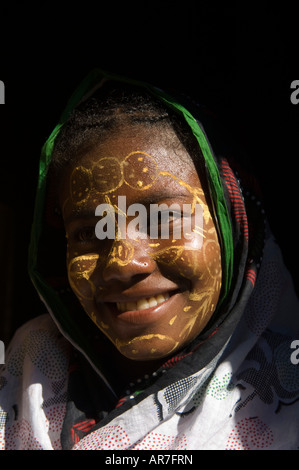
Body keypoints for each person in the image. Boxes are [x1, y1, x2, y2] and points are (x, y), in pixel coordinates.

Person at [0, 69, 298, 450]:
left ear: (234, 225)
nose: (124, 263)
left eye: (161, 218)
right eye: (90, 232)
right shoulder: (30, 361)